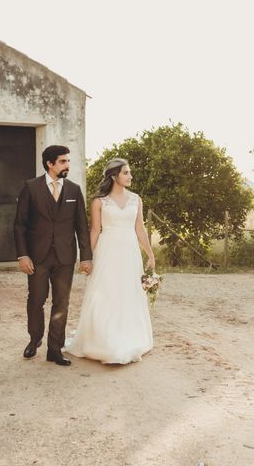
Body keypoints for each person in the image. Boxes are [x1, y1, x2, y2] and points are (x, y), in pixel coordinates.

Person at [65, 158, 154, 364]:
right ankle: (104, 342)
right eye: (126, 173)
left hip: (130, 253)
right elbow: (95, 230)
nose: (130, 176)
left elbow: (139, 229)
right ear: (114, 176)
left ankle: (129, 338)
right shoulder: (99, 201)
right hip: (107, 251)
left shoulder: (136, 199)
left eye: (130, 173)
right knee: (106, 293)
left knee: (128, 294)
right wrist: (86, 257)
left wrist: (150, 254)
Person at [14, 145, 92, 366]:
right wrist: (23, 255)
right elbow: (19, 225)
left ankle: (55, 350)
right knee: (36, 300)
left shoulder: (74, 190)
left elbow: (81, 227)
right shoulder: (30, 187)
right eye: (63, 161)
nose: (68, 165)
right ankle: (35, 339)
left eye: (68, 161)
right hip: (37, 257)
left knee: (62, 303)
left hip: (65, 257)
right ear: (50, 163)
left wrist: (86, 256)